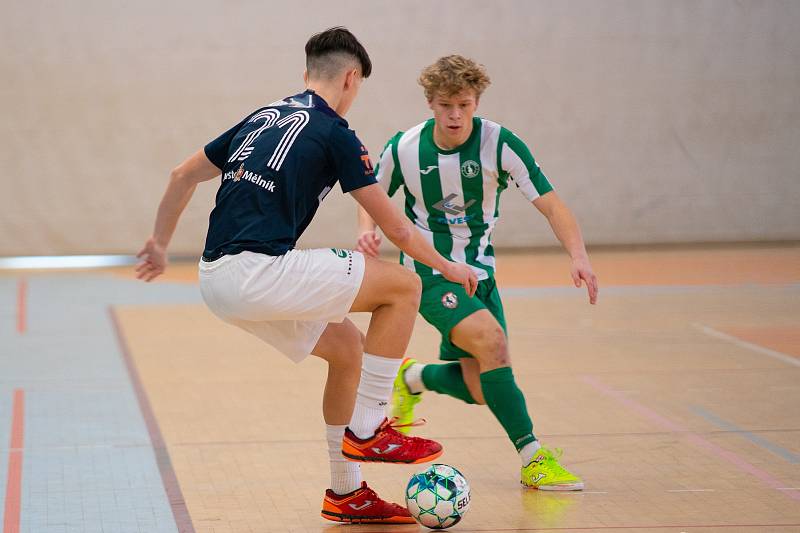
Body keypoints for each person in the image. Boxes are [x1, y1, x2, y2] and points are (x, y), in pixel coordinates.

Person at [136, 29, 477, 524]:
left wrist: (160, 244)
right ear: (351, 78)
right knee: (404, 286)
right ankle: (370, 427)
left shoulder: (262, 116)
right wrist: (448, 266)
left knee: (346, 351)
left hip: (216, 280)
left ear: (306, 74)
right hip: (260, 271)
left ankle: (345, 493)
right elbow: (397, 227)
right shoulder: (335, 131)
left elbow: (180, 175)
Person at [356, 55, 598, 491]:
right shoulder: (405, 147)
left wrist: (578, 255)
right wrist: (367, 231)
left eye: (464, 105)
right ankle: (533, 457)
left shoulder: (501, 144)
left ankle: (413, 378)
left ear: (476, 101)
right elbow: (370, 191)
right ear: (430, 102)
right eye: (446, 104)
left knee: (482, 383)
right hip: (427, 274)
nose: (455, 115)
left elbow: (550, 202)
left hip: (481, 274)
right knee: (493, 343)